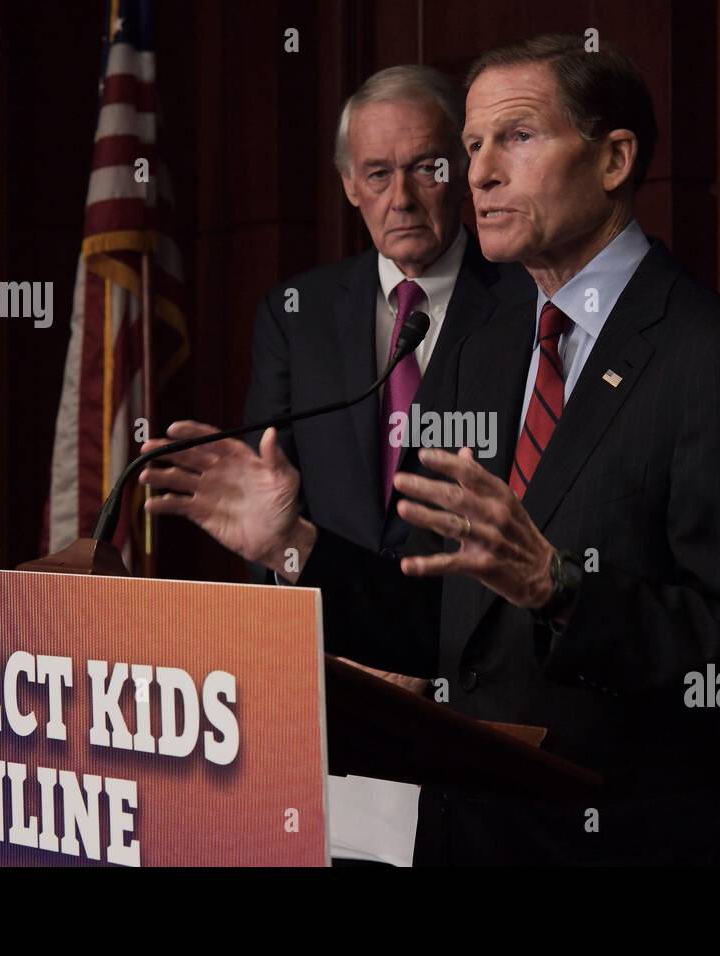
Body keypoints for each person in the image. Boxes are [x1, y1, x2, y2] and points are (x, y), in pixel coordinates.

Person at [141, 35, 720, 865]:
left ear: (614, 159)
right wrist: (294, 545)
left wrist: (561, 587)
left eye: (517, 138)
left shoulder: (716, 356)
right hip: (466, 837)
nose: (480, 172)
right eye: (472, 146)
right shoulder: (480, 345)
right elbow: (439, 614)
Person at [240, 64, 527, 865]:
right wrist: (332, 653)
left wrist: (424, 659)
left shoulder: (527, 306)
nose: (402, 197)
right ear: (348, 186)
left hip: (470, 708)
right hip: (327, 697)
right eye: (377, 173)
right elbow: (269, 506)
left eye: (427, 168)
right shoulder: (295, 315)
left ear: (462, 175)